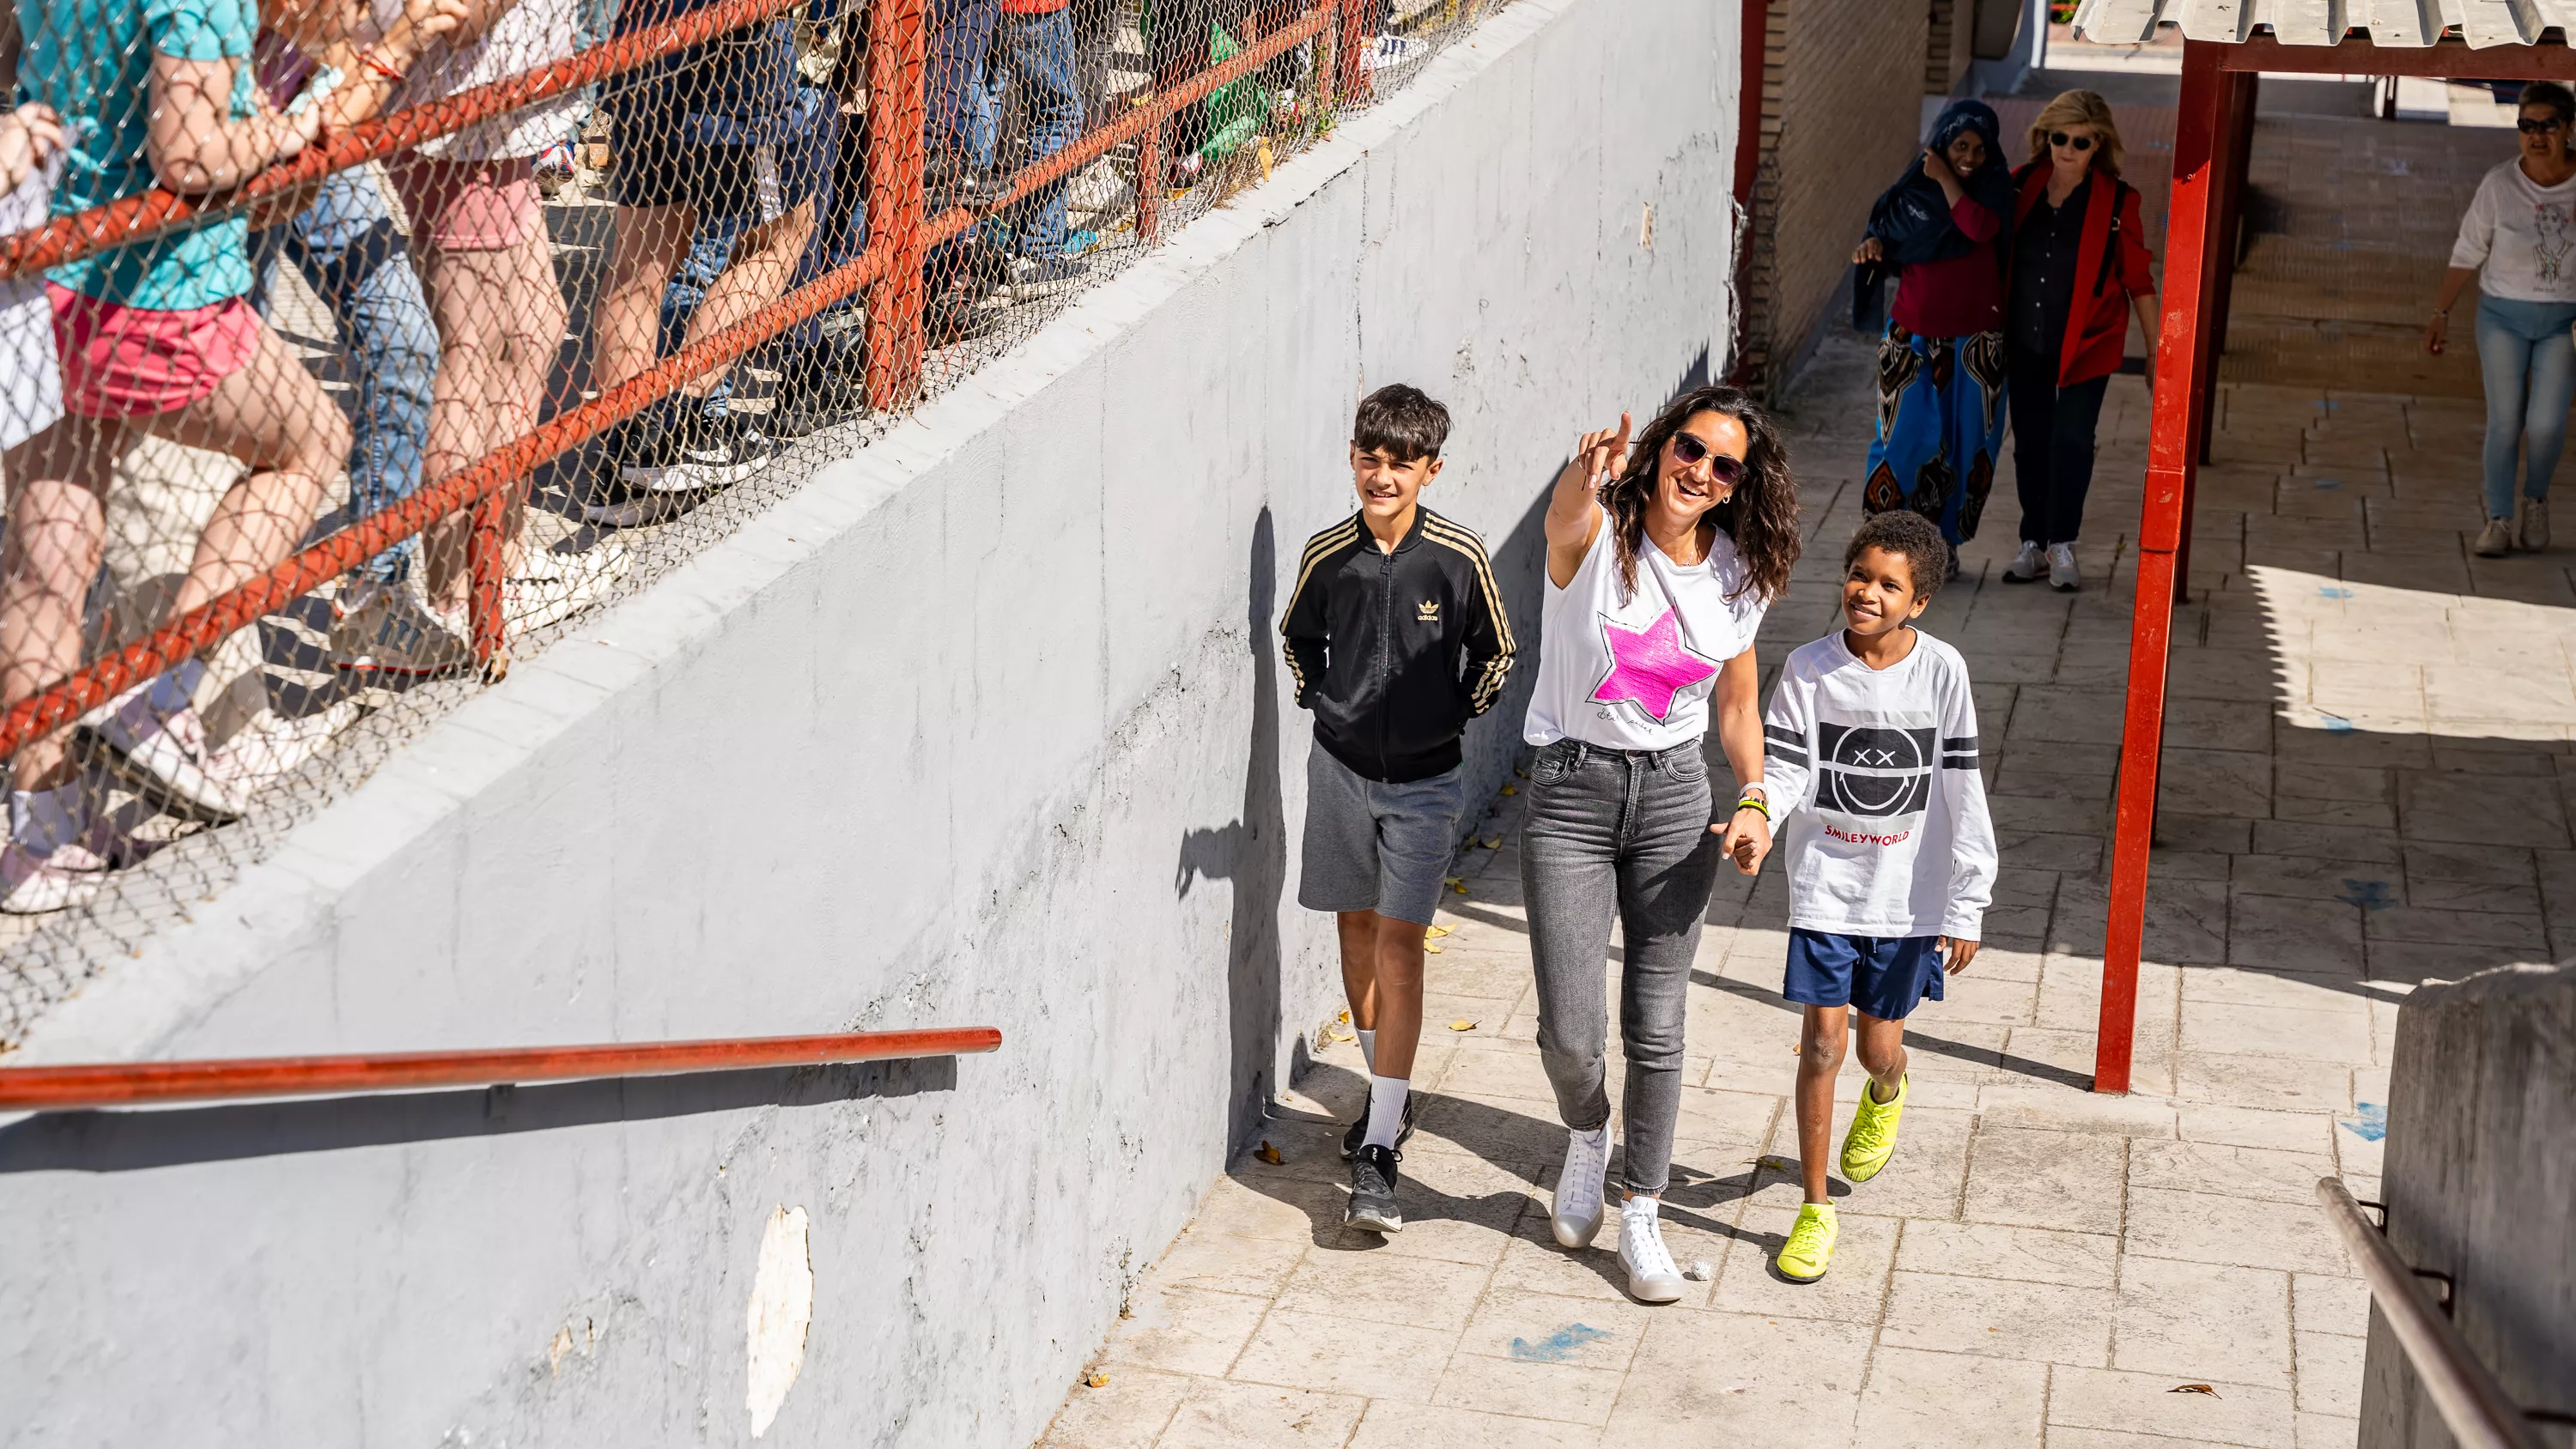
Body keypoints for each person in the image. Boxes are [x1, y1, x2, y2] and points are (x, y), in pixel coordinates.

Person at [1, 0, 411, 911]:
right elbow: (188, 154)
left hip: (44, 276)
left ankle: (41, 824)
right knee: (312, 443)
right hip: (160, 291)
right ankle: (160, 688)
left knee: (49, 557)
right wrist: (288, 127)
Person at [1522, 385, 1800, 1303]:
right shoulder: (1597, 533)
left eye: (1725, 466)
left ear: (1735, 487)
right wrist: (1584, 468)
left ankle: (1643, 1206)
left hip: (1677, 796)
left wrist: (1755, 798)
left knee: (1660, 1023)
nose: (1701, 472)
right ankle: (1588, 1129)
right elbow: (1564, 516)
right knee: (1570, 1030)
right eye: (1691, 448)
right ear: (1663, 446)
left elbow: (1736, 702)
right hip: (1571, 789)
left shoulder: (1739, 575)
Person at [1279, 384, 1515, 1235]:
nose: (1382, 476)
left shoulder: (1457, 556)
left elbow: (1496, 652)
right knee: (1353, 931)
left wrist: (1445, 717)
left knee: (1400, 943)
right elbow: (1297, 636)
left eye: (1400, 463)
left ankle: (1377, 1144)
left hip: (1424, 784)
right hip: (1339, 773)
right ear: (1353, 459)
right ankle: (1392, 1091)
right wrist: (1325, 704)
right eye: (1369, 459)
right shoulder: (1327, 554)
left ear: (1430, 469)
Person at [1754, 509, 1995, 1283]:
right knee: (1822, 1044)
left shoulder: (1943, 673)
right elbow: (1788, 766)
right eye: (1860, 575)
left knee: (1875, 1049)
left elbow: (1960, 787)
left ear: (1917, 602)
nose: (1868, 592)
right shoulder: (1807, 668)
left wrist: (1967, 902)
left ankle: (1888, 1091)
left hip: (1907, 900)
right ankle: (1815, 1207)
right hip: (1827, 889)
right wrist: (1759, 813)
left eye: (1890, 585)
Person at [586, 0, 828, 518]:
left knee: (639, 267)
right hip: (735, 71)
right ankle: (687, 427)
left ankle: (626, 452)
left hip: (645, 55)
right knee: (782, 237)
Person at [2002, 89, 2157, 593]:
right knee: (2030, 442)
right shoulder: (2020, 186)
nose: (2067, 149)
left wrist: (2158, 353)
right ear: (2045, 136)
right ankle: (2034, 542)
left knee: (2070, 440)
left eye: (2080, 141)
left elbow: (2138, 281)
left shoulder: (2117, 200)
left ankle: (2061, 542)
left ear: (2099, 145)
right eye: (2058, 137)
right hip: (2025, 339)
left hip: (2088, 343)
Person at [1852, 100, 2014, 578]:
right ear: (1942, 140)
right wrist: (1875, 246)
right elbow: (1884, 235)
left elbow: (1979, 227)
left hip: (1975, 347)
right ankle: (1884, 544)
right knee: (1901, 441)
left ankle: (1943, 547)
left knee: (1966, 448)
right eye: (1959, 145)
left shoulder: (1996, 190)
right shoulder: (1911, 194)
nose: (1970, 156)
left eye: (1979, 149)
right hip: (1912, 338)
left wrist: (1946, 176)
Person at [2427, 80, 2576, 557]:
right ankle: (2499, 519)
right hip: (2502, 319)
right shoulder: (2499, 184)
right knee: (2505, 423)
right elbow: (2468, 249)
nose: (2537, 135)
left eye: (2548, 125)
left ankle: (2534, 500)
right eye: (2527, 125)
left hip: (2562, 322)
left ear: (2568, 129)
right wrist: (2441, 312)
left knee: (2549, 423)